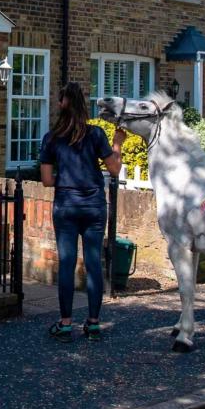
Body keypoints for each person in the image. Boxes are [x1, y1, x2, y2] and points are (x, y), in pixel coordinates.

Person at [39, 82, 123, 342]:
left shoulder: (51, 138)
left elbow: (46, 181)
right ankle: (93, 324)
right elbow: (115, 170)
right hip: (94, 206)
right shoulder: (96, 134)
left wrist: (65, 176)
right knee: (93, 263)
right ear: (82, 106)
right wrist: (118, 143)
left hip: (66, 206)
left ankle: (65, 325)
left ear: (62, 105)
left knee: (66, 263)